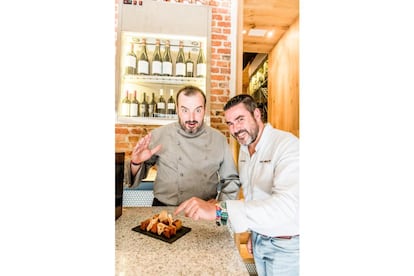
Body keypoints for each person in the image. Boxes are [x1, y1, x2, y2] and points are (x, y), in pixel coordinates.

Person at [175, 94, 299, 276]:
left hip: (288, 247)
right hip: (259, 240)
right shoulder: (244, 148)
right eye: (230, 123)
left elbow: (288, 207)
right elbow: (252, 196)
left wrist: (219, 210)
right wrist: (253, 231)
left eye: (240, 120)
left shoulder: (288, 146)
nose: (235, 129)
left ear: (257, 114)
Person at [127, 85, 241, 206]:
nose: (191, 118)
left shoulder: (219, 139)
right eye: (185, 110)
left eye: (197, 110)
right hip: (163, 210)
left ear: (205, 109)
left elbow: (231, 180)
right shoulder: (159, 135)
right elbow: (134, 178)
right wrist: (136, 163)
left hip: (203, 212)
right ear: (177, 109)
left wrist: (220, 206)